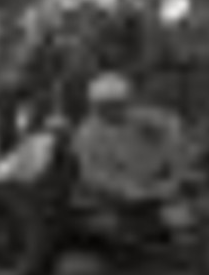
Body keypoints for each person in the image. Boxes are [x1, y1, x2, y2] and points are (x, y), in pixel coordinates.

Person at [71, 71, 189, 205]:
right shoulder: (88, 133)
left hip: (155, 187)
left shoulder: (141, 119)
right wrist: (123, 188)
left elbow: (172, 127)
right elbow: (91, 173)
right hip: (116, 198)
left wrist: (173, 178)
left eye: (118, 104)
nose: (114, 111)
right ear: (96, 107)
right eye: (107, 106)